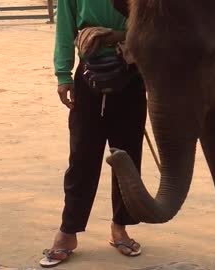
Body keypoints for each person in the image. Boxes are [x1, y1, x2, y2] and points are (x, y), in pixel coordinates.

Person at [40, 0, 147, 267]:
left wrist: (118, 36)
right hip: (89, 75)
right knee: (82, 157)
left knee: (127, 157)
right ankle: (68, 232)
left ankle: (120, 227)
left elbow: (155, 26)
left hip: (131, 73)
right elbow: (65, 26)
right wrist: (63, 74)